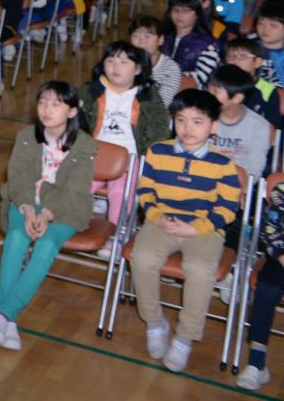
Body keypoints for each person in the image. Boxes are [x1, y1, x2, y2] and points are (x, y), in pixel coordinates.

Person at [130, 88, 244, 373]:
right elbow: (146, 191)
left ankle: (185, 337)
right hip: (163, 222)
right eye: (181, 120)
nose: (187, 128)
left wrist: (197, 228)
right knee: (142, 259)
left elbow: (228, 208)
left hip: (204, 229)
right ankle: (155, 322)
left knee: (200, 268)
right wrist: (156, 216)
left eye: (197, 121)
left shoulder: (223, 164)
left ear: (213, 127)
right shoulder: (158, 151)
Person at [0, 81, 97, 351]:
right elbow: (18, 178)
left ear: (71, 111)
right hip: (24, 204)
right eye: (43, 102)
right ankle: (6, 318)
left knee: (46, 245)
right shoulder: (26, 135)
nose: (47, 109)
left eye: (56, 104)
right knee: (15, 239)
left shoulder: (85, 145)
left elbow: (75, 190)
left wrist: (46, 214)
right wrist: (26, 209)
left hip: (65, 209)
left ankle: (5, 312)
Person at [78, 42, 170, 223]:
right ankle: (66, 225)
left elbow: (160, 128)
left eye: (123, 62)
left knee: (120, 192)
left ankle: (116, 237)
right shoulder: (91, 91)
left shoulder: (148, 95)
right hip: (94, 155)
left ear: (137, 69)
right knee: (77, 186)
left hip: (130, 158)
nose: (115, 66)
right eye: (110, 60)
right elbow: (77, 123)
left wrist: (152, 159)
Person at [240, 174, 284, 390]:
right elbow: (270, 230)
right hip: (282, 259)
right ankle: (256, 363)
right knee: (266, 288)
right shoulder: (281, 192)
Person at [209, 64, 272, 182]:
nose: (209, 94)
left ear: (237, 98)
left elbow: (254, 171)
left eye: (216, 91)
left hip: (236, 183)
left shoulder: (259, 126)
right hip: (203, 177)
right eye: (209, 88)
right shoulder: (204, 116)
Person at [128, 14, 183, 108]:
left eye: (147, 36)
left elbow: (162, 104)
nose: (141, 41)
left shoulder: (170, 68)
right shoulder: (124, 62)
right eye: (136, 35)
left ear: (160, 40)